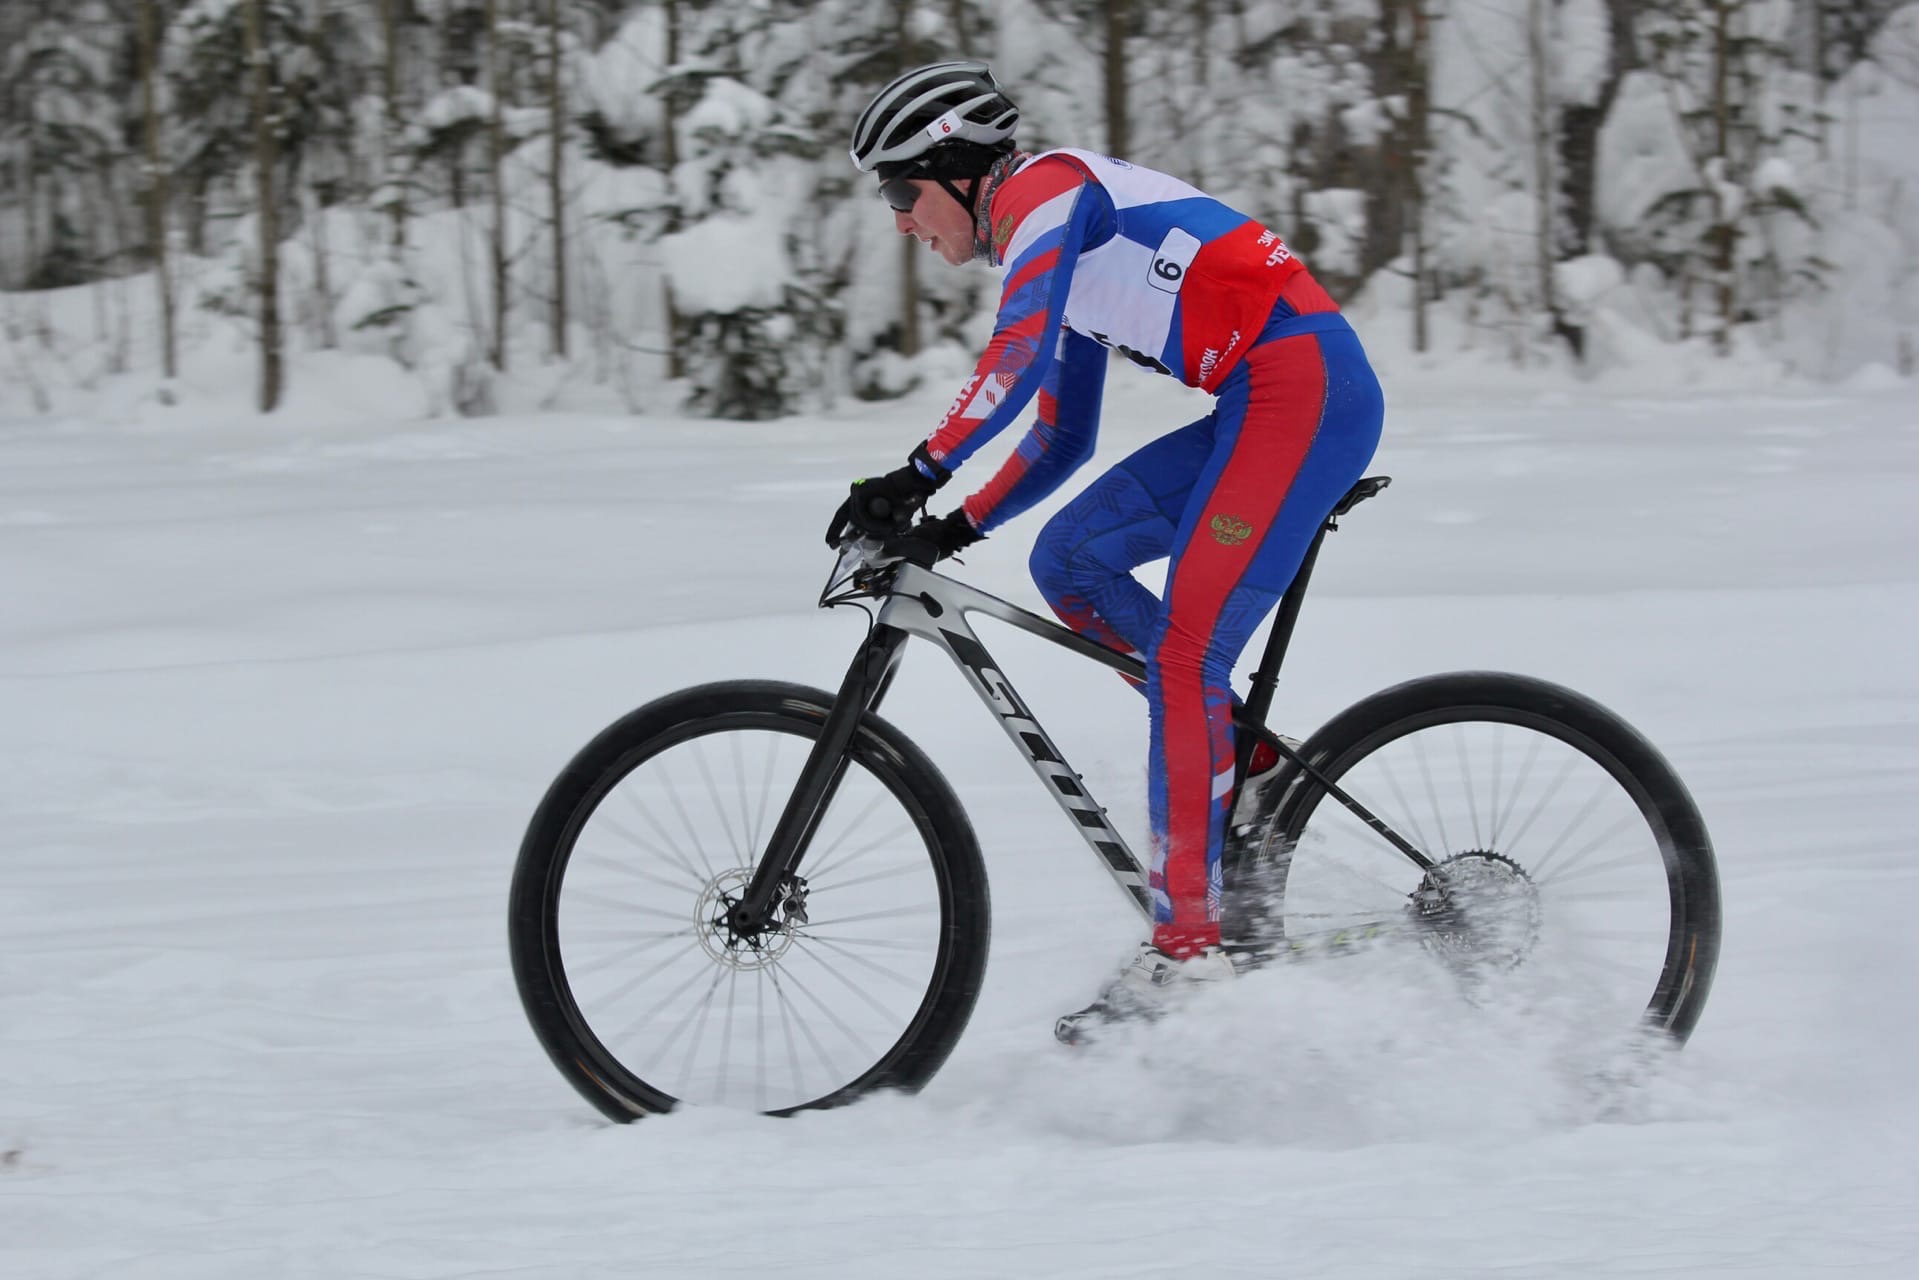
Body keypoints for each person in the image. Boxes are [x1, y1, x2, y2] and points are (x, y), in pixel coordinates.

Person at [832, 61, 1385, 1044]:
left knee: (1183, 657)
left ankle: (1187, 950)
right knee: (1070, 561)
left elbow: (1010, 359)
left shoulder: (1044, 191)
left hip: (1301, 392)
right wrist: (955, 526)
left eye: (900, 192)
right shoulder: (1054, 236)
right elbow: (1057, 435)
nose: (899, 222)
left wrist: (915, 474)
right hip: (1259, 397)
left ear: (955, 167)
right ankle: (1242, 759)